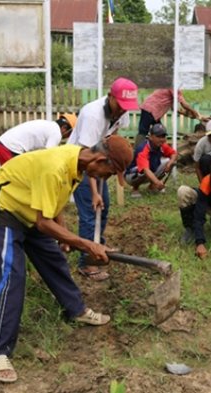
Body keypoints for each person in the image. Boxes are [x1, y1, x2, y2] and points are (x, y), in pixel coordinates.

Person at [0, 135, 133, 384]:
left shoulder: (77, 164)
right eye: (109, 172)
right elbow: (44, 222)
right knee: (13, 276)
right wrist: (84, 243)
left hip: (31, 207)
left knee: (54, 259)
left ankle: (76, 310)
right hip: (7, 208)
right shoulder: (56, 167)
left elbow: (55, 202)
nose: (105, 179)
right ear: (100, 159)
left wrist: (64, 235)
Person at [67, 77, 139, 281]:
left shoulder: (121, 113)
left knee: (104, 207)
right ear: (110, 97)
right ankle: (87, 262)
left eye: (127, 107)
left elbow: (111, 139)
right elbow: (87, 158)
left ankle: (98, 245)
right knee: (90, 212)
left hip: (100, 163)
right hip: (80, 164)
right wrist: (95, 192)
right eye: (121, 105)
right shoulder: (92, 115)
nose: (123, 111)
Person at [0, 114, 77, 165]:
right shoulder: (56, 133)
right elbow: (49, 155)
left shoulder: (49, 125)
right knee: (17, 179)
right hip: (10, 147)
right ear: (64, 128)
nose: (68, 136)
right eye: (70, 133)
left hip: (5, 144)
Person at [124, 123, 177, 198]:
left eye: (163, 136)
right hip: (131, 175)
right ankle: (135, 189)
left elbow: (174, 154)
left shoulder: (162, 145)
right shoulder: (143, 149)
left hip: (150, 170)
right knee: (141, 171)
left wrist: (169, 164)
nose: (162, 139)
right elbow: (145, 170)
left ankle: (152, 186)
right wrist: (158, 182)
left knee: (170, 162)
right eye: (158, 136)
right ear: (151, 137)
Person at [137, 88, 201, 147]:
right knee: (143, 131)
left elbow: (174, 108)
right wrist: (196, 114)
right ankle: (137, 152)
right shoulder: (173, 86)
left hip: (153, 110)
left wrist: (186, 114)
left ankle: (162, 150)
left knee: (160, 132)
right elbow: (183, 104)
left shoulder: (173, 88)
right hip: (150, 108)